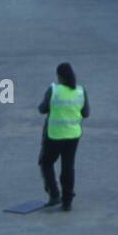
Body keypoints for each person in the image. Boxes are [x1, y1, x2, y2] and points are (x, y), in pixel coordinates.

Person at [38, 63, 89, 211]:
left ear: (59, 76)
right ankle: (67, 203)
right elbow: (86, 113)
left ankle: (54, 195)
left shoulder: (54, 90)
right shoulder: (81, 91)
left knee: (46, 163)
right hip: (73, 135)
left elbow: (42, 109)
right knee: (68, 167)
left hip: (54, 135)